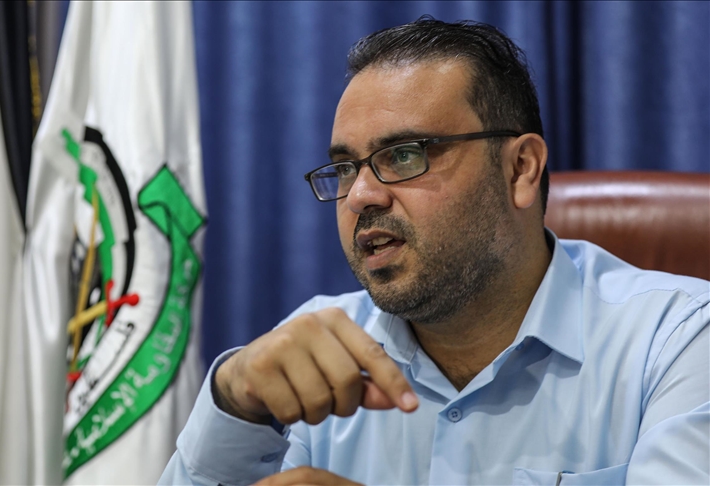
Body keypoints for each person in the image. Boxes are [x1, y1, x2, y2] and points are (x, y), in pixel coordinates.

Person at [160, 16, 709, 485]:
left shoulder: (677, 341)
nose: (361, 195)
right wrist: (233, 404)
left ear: (520, 169)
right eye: (345, 167)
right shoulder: (319, 353)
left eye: (404, 155)